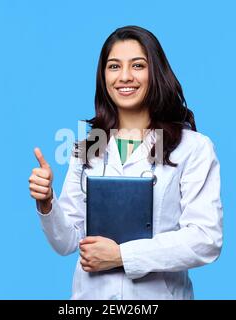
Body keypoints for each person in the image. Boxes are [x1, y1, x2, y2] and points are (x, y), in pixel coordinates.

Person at [28, 26, 223, 300]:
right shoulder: (90, 146)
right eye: (114, 66)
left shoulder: (192, 147)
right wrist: (47, 202)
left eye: (138, 65)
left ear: (155, 72)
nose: (125, 77)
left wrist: (122, 256)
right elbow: (67, 241)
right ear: (103, 76)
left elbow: (205, 239)